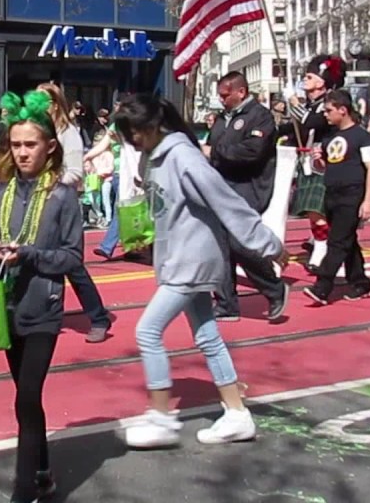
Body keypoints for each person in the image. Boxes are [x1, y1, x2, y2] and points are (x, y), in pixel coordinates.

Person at [115, 93, 286, 449]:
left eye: (135, 132)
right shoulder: (158, 157)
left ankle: (162, 418)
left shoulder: (183, 157)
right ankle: (237, 414)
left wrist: (269, 245)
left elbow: (226, 202)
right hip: (179, 259)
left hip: (191, 261)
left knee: (147, 331)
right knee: (208, 336)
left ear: (152, 126)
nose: (132, 139)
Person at [0, 90, 82, 503]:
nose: (22, 153)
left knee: (26, 397)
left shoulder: (62, 197)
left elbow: (72, 257)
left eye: (31, 144)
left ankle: (22, 493)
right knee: (26, 400)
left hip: (43, 309)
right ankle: (42, 471)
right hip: (6, 307)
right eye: (16, 144)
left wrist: (30, 253)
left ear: (49, 148)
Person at [204, 72, 289, 322]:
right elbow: (211, 148)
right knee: (218, 245)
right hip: (220, 187)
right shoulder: (222, 119)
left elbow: (252, 152)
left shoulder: (259, 117)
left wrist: (215, 152)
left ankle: (274, 289)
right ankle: (226, 303)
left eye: (225, 95)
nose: (221, 100)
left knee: (240, 243)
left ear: (241, 92)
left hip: (247, 187)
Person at [35, 82, 112, 343]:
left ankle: (98, 317)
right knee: (41, 260)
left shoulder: (68, 132)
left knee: (72, 264)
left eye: (42, 100)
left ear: (55, 104)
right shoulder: (38, 129)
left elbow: (75, 172)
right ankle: (49, 315)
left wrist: (50, 183)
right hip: (39, 203)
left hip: (64, 204)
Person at [303, 90, 370, 305]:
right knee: (347, 241)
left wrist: (368, 200)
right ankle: (360, 282)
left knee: (337, 241)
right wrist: (318, 161)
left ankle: (322, 286)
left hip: (352, 194)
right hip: (332, 193)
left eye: (329, 110)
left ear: (343, 110)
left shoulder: (362, 136)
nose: (325, 115)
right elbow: (329, 166)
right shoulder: (330, 138)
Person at [279, 54, 345, 274]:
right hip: (308, 161)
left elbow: (313, 121)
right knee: (313, 212)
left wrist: (293, 102)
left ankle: (325, 251)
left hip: (327, 161)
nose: (304, 80)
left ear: (321, 81)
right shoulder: (311, 104)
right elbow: (296, 127)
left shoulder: (331, 102)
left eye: (309, 76)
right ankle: (320, 246)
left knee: (322, 212)